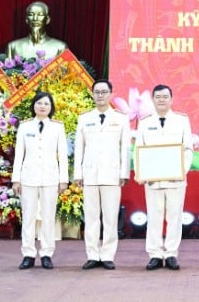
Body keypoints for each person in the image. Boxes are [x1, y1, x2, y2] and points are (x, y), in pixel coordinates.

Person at [73, 79, 131, 270]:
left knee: (110, 217)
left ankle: (107, 255)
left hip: (112, 174)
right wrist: (78, 173)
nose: (100, 95)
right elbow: (79, 148)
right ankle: (92, 254)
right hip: (89, 174)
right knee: (91, 217)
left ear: (111, 94)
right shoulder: (84, 118)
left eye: (104, 92)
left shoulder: (121, 118)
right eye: (97, 92)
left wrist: (124, 173)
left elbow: (125, 148)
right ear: (92, 94)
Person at [136, 84, 193, 271]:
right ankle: (155, 254)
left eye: (165, 96)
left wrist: (181, 171)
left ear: (171, 99)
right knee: (154, 216)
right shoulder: (145, 122)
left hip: (176, 179)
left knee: (174, 217)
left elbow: (188, 149)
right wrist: (141, 173)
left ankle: (170, 254)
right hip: (153, 179)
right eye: (158, 97)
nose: (161, 100)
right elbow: (139, 149)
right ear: (153, 100)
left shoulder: (181, 120)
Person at [11, 91, 69, 270]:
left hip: (51, 178)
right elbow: (19, 154)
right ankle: (28, 254)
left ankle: (46, 254)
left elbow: (62, 155)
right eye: (39, 103)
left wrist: (63, 179)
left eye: (46, 104)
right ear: (33, 105)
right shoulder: (25, 126)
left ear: (51, 107)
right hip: (28, 178)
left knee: (48, 217)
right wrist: (16, 179)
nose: (42, 106)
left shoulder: (57, 127)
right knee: (28, 217)